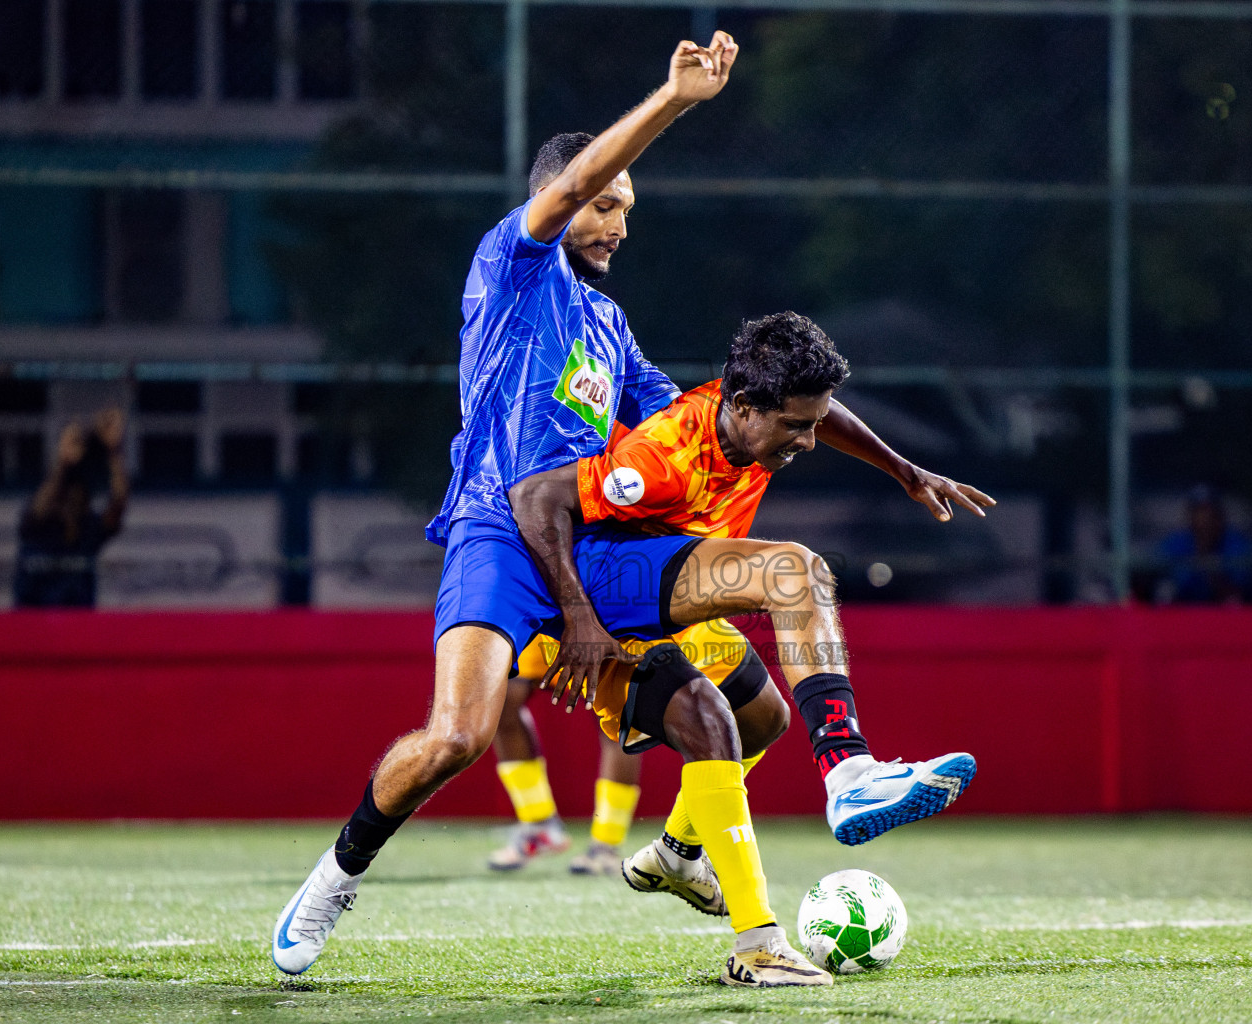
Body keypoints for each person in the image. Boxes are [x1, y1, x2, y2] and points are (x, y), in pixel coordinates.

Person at [275, 33, 836, 989]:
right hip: (497, 536)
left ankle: (755, 942)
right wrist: (675, 100)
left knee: (725, 718)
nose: (619, 221)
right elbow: (575, 183)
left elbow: (718, 405)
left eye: (628, 209)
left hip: (593, 549)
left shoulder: (609, 328)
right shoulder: (512, 269)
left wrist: (873, 447)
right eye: (609, 204)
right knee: (456, 736)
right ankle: (335, 875)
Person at [507, 312, 995, 913]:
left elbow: (822, 412)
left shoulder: (755, 408)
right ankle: (847, 772)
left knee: (763, 720)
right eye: (795, 426)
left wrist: (903, 470)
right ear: (743, 406)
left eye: (811, 423)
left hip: (673, 582)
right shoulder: (660, 460)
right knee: (796, 571)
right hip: (609, 590)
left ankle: (677, 852)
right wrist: (579, 619)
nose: (809, 441)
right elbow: (534, 497)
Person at [487, 618, 755, 877]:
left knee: (616, 711)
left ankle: (606, 843)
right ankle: (538, 824)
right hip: (546, 599)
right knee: (504, 698)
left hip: (598, 594)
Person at [13, 408, 129, 608]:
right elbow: (36, 515)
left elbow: (117, 505)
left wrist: (113, 451)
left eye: (79, 443)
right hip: (35, 605)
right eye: (71, 441)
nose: (75, 448)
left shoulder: (89, 520)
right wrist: (63, 461)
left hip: (76, 610)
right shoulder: (40, 508)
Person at [1153, 484, 1252, 604]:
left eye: (1209, 513)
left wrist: (1209, 565)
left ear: (1220, 516)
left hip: (1227, 617)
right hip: (1184, 615)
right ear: (1189, 516)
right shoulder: (1176, 542)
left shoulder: (1238, 545)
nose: (1204, 520)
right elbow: (1154, 574)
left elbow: (1238, 595)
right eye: (1198, 512)